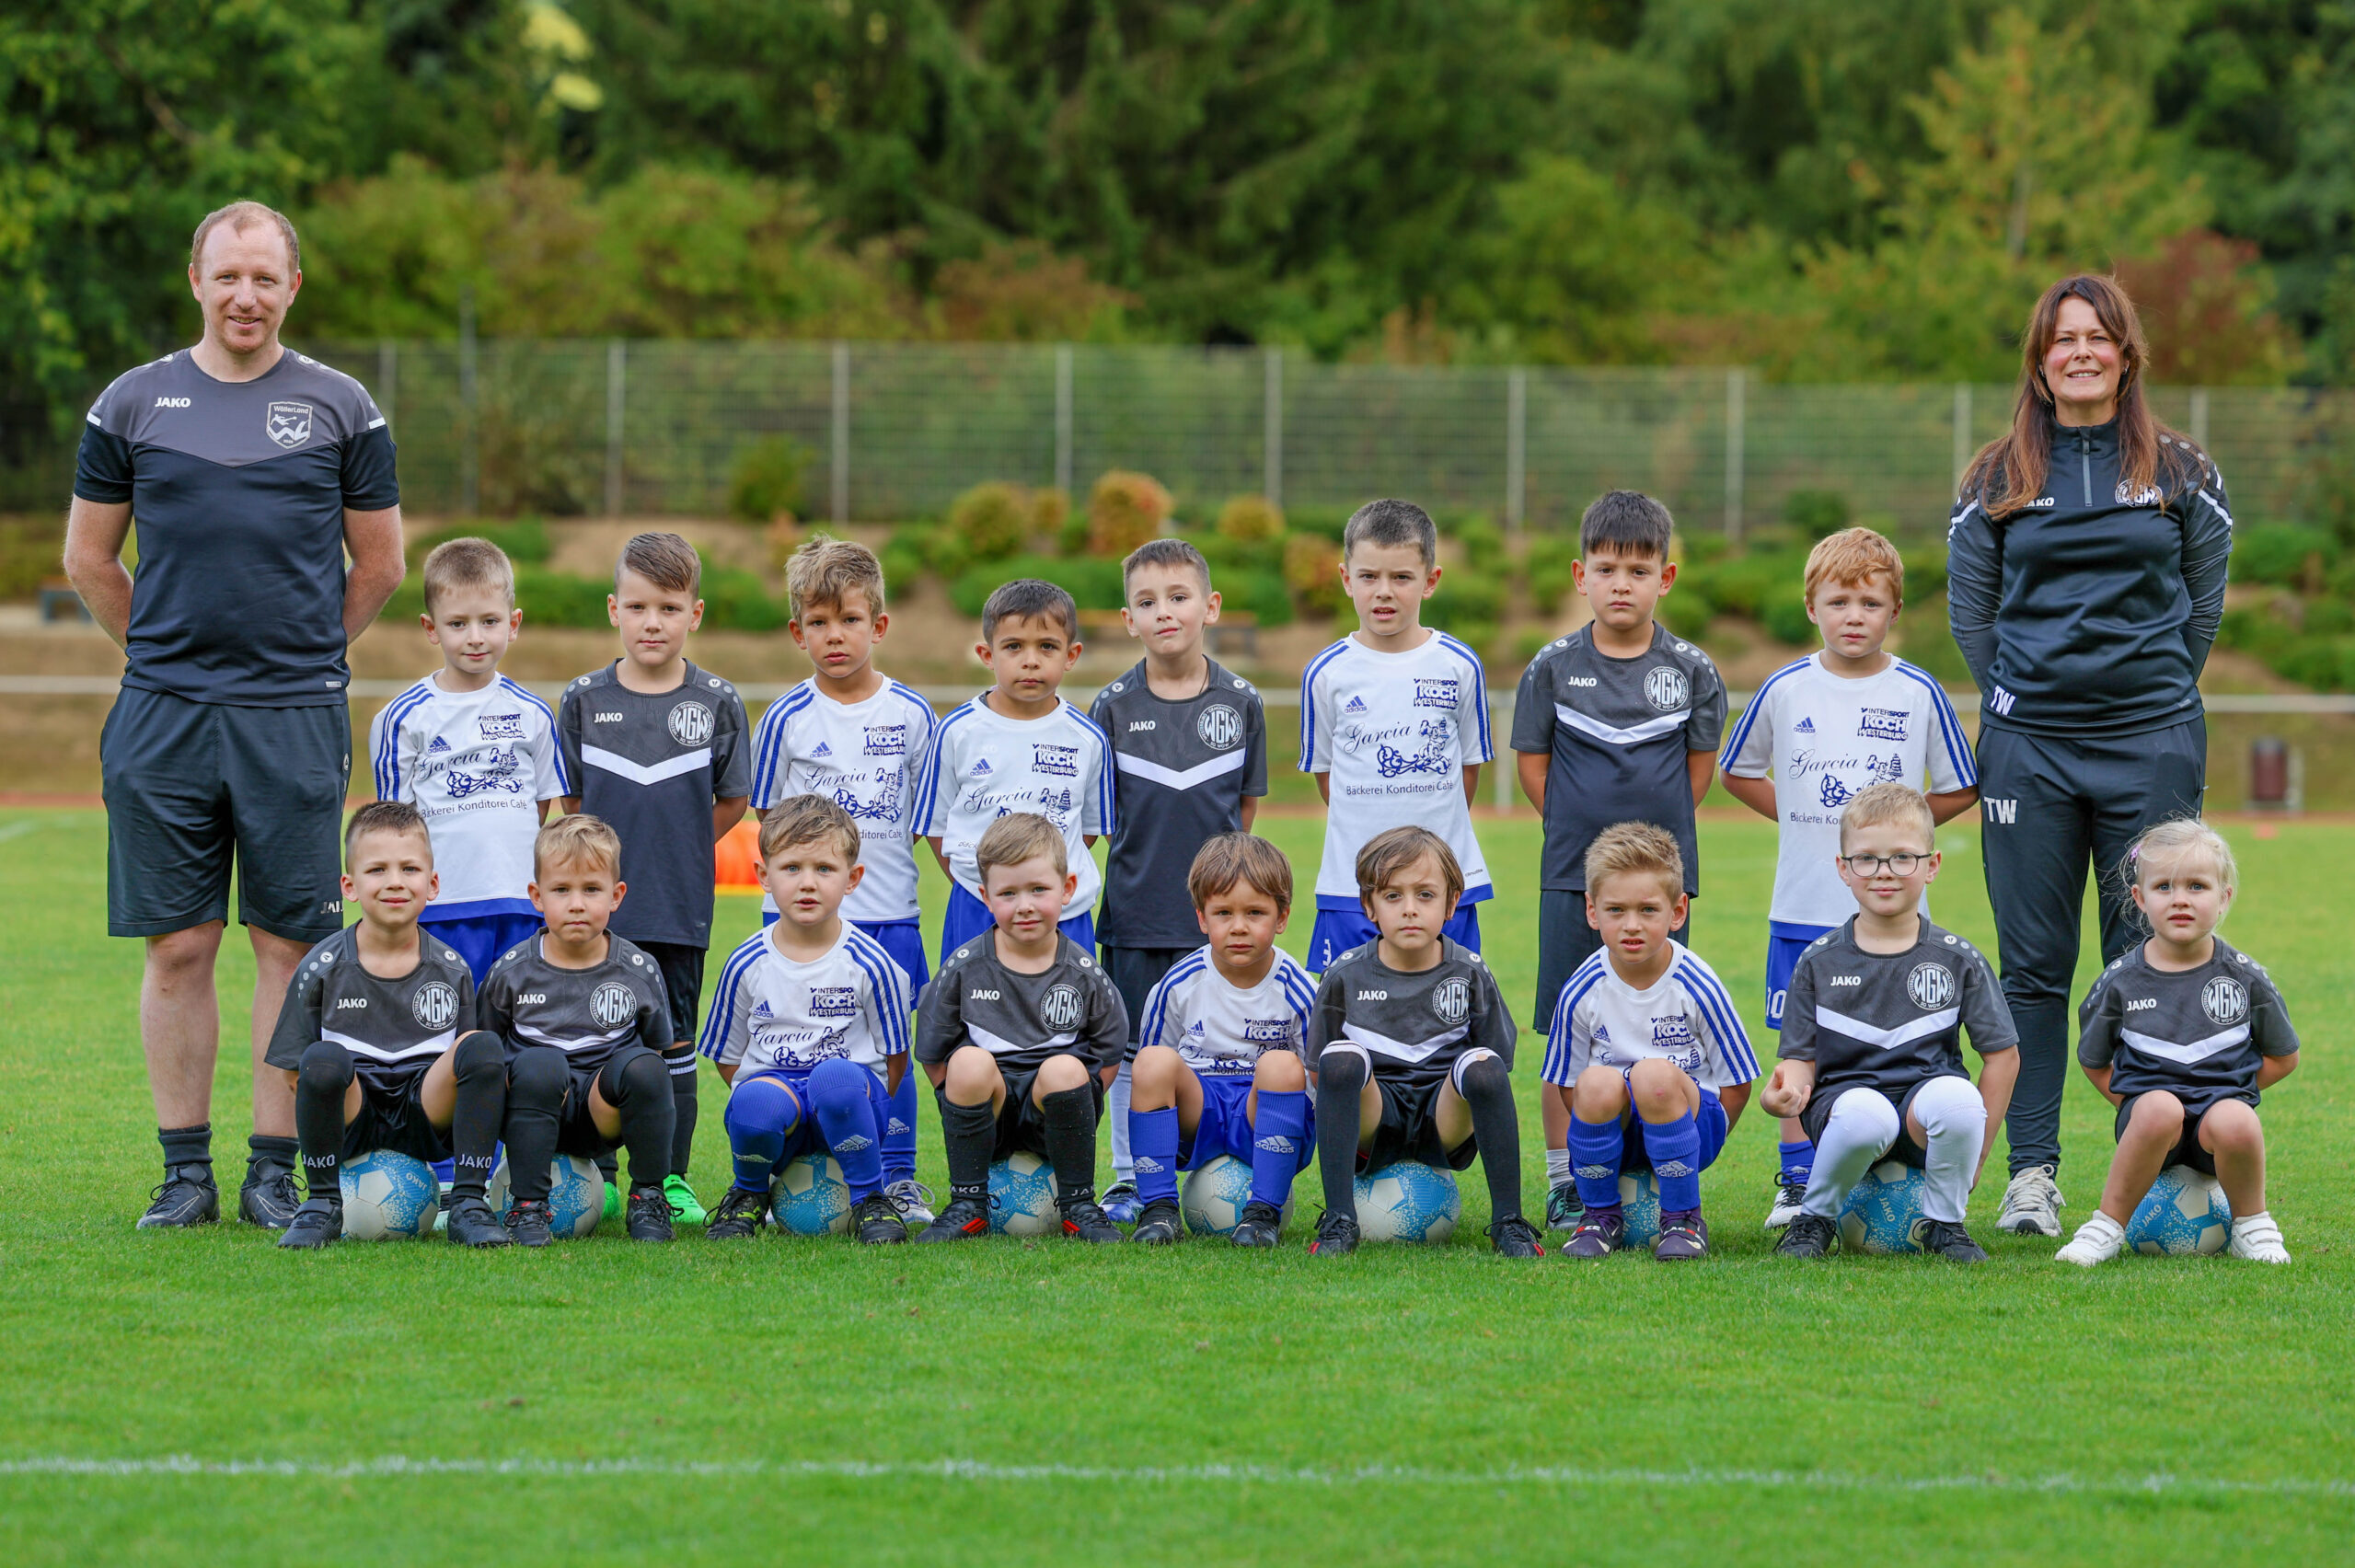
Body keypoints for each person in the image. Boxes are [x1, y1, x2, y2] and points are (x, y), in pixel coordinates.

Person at [65, 200, 407, 1229]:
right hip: (163, 716)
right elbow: (88, 559)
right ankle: (184, 1173)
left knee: (289, 947)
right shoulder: (131, 404)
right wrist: (166, 657)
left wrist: (301, 659)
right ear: (196, 280)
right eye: (229, 277)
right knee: (177, 947)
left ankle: (270, 1166)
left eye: (265, 278)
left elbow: (381, 563)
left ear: (292, 287)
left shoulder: (344, 407)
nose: (246, 296)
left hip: (294, 714)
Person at [1947, 272, 2235, 1238]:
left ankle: (2152, 1169)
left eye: (2097, 337)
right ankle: (2033, 1175)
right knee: (2032, 965)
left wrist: (2146, 689)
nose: (2080, 352)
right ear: (2039, 358)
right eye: (2062, 338)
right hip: (2030, 750)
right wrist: (2022, 697)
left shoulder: (2184, 468)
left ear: (2125, 354)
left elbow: (2203, 601)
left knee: (2148, 953)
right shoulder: (1995, 475)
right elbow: (1971, 613)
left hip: (2150, 742)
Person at [1718, 527, 1978, 1228]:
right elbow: (1737, 771)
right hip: (1803, 906)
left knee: (1893, 1042)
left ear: (1894, 610)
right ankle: (1795, 1182)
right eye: (1838, 600)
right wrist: (1809, 824)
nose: (1853, 615)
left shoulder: (1917, 691)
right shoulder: (1784, 687)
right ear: (1811, 607)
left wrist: (1893, 846)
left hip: (1893, 921)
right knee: (1800, 1048)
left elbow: (1959, 787)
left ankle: (1894, 1162)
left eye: (1870, 601)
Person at [1512, 490, 1726, 1233]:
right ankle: (1564, 1178)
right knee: (1564, 1032)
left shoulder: (1693, 669)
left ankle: (1657, 1175)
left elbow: (1696, 771)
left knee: (1665, 1028)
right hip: (1573, 878)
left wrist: (1649, 861)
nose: (1621, 584)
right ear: (1580, 576)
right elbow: (1533, 768)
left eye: (1638, 570)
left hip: (1660, 882)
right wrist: (1586, 850)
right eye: (1606, 569)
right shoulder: (1550, 667)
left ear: (1664, 579)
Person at [556, 531, 751, 1227]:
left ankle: (666, 1180)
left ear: (694, 614)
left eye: (668, 608)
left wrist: (681, 850)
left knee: (671, 1049)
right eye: (638, 606)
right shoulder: (581, 700)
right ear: (614, 609)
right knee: (599, 1043)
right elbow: (571, 806)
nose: (652, 622)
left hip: (677, 907)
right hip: (597, 916)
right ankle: (604, 1177)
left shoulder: (719, 702)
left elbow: (731, 801)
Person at [748, 536, 939, 1228]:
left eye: (850, 620)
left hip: (888, 911)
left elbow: (922, 815)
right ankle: (784, 1178)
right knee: (797, 1043)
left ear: (878, 625)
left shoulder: (914, 715)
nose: (835, 636)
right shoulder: (784, 719)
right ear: (798, 632)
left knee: (889, 1047)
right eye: (819, 623)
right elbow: (771, 820)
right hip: (797, 924)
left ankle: (900, 1177)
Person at [1090, 537, 1271, 1223]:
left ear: (1209, 606)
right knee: (1134, 1051)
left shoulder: (1243, 702)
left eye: (1178, 597)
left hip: (1222, 920)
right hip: (1136, 913)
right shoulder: (1109, 707)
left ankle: (1237, 1167)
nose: (1164, 612)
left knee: (1224, 1043)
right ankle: (1129, 1180)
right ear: (1128, 618)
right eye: (1146, 602)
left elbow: (1241, 815)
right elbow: (1103, 821)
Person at [1760, 785, 2018, 1264]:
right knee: (1866, 1115)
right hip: (1846, 1110)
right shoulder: (1817, 961)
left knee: (1960, 1102)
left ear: (1932, 865)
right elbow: (1798, 1060)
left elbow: (2003, 1055)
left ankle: (1945, 1224)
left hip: (1925, 1117)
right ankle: (1813, 1220)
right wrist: (1785, 1094)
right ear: (1843, 868)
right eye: (1867, 859)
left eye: (1903, 857)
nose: (1884, 872)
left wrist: (1978, 1154)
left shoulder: (1958, 959)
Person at [265, 802, 510, 1250]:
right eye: (377, 869)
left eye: (410, 868)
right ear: (350, 886)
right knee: (320, 1058)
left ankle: (471, 1203)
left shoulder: (452, 968)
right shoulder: (321, 967)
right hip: (352, 1119)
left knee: (483, 1047)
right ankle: (321, 1203)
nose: (395, 881)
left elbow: (466, 1072)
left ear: (432, 883)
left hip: (425, 1115)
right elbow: (291, 1073)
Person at [2056, 820, 2296, 1265]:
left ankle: (2253, 1226)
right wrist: (2134, 1110)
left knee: (2237, 1118)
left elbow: (2284, 1057)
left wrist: (2234, 1095)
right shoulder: (2119, 982)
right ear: (2140, 899)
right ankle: (2105, 1227)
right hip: (2150, 1127)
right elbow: (2093, 1061)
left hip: (2215, 1134)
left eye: (2197, 886)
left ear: (2223, 898)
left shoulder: (2245, 978)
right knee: (2158, 1106)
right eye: (2164, 886)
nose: (2181, 898)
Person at [1307, 826, 1541, 1259]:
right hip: (1373, 1122)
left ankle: (1509, 1222)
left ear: (1452, 903)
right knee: (1338, 1060)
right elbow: (1318, 1074)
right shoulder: (1343, 975)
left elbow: (1496, 1067)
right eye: (1393, 896)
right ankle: (1340, 1219)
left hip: (1444, 1121)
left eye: (1426, 895)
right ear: (1368, 906)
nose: (1410, 909)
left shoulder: (1469, 972)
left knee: (1484, 1065)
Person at [698, 795, 917, 1246]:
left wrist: (848, 1102)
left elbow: (897, 1060)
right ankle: (749, 1195)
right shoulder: (745, 963)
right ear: (764, 876)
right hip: (786, 1112)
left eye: (824, 869)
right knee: (756, 1099)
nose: (807, 884)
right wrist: (769, 1100)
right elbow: (727, 1061)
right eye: (792, 868)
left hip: (852, 1104)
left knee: (835, 1078)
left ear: (852, 878)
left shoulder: (873, 964)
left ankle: (870, 1199)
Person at [910, 813, 1128, 1243]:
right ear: (985, 898)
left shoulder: (1083, 972)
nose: (1024, 905)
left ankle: (1079, 1206)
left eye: (1038, 890)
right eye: (1007, 893)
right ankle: (968, 1205)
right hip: (985, 1117)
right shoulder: (963, 968)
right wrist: (964, 1111)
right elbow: (933, 1054)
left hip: (1054, 1118)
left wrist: (1080, 1107)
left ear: (1067, 890)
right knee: (968, 1061)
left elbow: (1110, 1051)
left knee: (1066, 1068)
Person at [1544, 823, 1758, 1262]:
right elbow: (1566, 1086)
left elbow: (1737, 1084)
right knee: (1597, 1082)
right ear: (1592, 911)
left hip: (1690, 1119)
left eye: (1648, 910)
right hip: (1611, 1128)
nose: (1632, 925)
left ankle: (1683, 1218)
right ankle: (1599, 1216)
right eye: (1616, 910)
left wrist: (1695, 1148)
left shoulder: (1698, 985)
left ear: (1677, 912)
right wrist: (1601, 1135)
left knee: (1654, 1075)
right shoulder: (1580, 989)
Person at [1299, 500, 1494, 973]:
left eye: (1402, 578)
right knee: (1343, 1015)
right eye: (1368, 577)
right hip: (1352, 885)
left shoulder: (1459, 665)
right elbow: (1329, 778)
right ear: (1346, 580)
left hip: (1444, 882)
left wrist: (1425, 844)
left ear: (1431, 581)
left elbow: (1468, 769)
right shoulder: (1325, 674)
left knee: (1449, 1012)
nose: (1383, 592)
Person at [370, 536, 568, 985]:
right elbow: (396, 824)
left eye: (490, 621)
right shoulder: (401, 718)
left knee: (517, 1027)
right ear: (430, 628)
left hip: (519, 903)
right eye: (457, 623)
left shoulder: (534, 714)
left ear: (513, 623)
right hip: (441, 906)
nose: (475, 637)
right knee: (445, 1024)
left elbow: (540, 806)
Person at [478, 815, 677, 1245]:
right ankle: (527, 1208)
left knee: (646, 1068)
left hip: (599, 1115)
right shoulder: (510, 972)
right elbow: (486, 1058)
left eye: (591, 890)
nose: (576, 904)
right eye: (561, 890)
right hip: (528, 1109)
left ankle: (648, 1199)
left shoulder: (639, 970)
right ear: (536, 896)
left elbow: (656, 1058)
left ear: (616, 895)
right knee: (540, 1063)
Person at [1125, 834, 1317, 1248]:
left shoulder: (1299, 988)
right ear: (1202, 919)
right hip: (1200, 1113)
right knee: (1153, 1061)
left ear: (1281, 918)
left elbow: (1319, 1077)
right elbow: (1150, 1074)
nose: (1239, 927)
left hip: (1263, 1112)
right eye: (1223, 913)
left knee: (1281, 1065)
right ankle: (1158, 1210)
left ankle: (1264, 1213)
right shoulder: (1178, 985)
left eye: (1255, 913)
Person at [913, 579, 1114, 961]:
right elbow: (938, 831)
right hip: (978, 906)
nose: (1031, 660)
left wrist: (1042, 884)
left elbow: (1087, 831)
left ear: (1071, 655)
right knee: (971, 1017)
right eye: (1013, 647)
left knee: (1064, 1018)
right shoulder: (956, 732)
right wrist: (986, 886)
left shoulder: (1088, 738)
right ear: (987, 655)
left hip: (1064, 914)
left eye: (1047, 647)